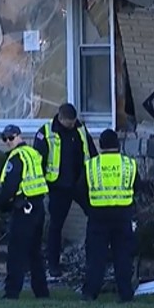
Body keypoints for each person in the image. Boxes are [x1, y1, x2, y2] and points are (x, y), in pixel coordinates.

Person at [34, 103, 98, 278]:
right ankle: (53, 265)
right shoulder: (46, 132)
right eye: (68, 123)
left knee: (96, 215)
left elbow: (91, 152)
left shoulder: (80, 128)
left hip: (80, 183)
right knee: (56, 226)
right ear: (60, 118)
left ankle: (94, 259)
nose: (71, 125)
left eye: (73, 122)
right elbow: (37, 161)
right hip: (58, 186)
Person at [78, 129, 140, 303]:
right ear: (118, 145)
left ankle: (90, 293)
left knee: (96, 257)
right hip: (122, 217)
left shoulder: (92, 165)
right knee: (123, 257)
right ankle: (126, 294)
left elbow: (79, 190)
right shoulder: (129, 164)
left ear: (101, 145)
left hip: (98, 217)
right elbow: (137, 186)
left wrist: (88, 209)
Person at [0, 124, 50, 300]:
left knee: (17, 252)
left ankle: (12, 292)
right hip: (38, 206)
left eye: (11, 138)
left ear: (19, 136)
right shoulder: (33, 153)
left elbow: (10, 187)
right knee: (35, 252)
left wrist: (1, 204)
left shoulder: (17, 157)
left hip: (24, 208)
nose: (8, 142)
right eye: (5, 139)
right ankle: (41, 292)